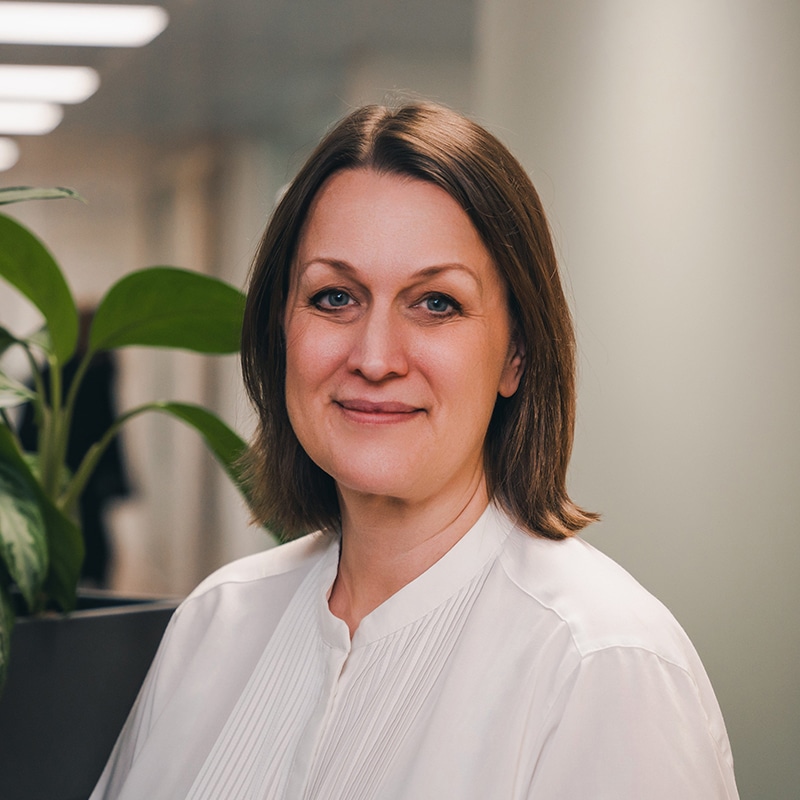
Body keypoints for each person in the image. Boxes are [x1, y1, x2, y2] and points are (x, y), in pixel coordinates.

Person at [91, 102, 739, 799]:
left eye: (436, 304)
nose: (374, 357)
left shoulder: (601, 664)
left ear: (516, 354)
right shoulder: (215, 623)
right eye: (335, 296)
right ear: (281, 330)